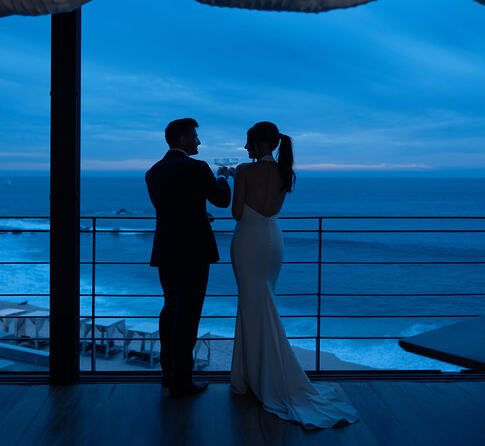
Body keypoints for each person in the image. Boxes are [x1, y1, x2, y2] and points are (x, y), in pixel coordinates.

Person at [226, 121, 359, 428]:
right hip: (273, 239)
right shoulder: (285, 171)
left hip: (248, 239)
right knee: (262, 301)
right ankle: (254, 375)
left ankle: (258, 378)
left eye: (248, 143)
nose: (245, 149)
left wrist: (236, 179)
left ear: (259, 144)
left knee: (252, 304)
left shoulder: (245, 171)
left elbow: (235, 213)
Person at [145, 118, 232, 398]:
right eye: (195, 137)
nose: (198, 142)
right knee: (189, 315)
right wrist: (223, 178)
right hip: (193, 251)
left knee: (170, 310)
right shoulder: (197, 168)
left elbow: (172, 208)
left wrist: (197, 212)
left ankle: (167, 373)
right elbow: (221, 200)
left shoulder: (153, 172)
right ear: (182, 139)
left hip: (166, 249)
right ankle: (183, 380)